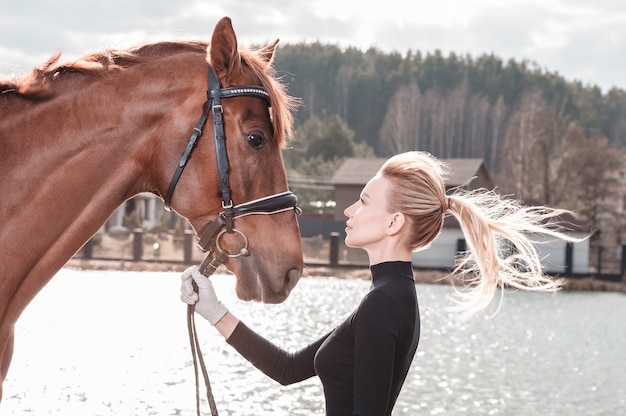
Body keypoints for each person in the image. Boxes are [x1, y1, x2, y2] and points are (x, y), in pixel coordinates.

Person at [180, 151, 578, 415]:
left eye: (365, 201)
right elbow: (289, 368)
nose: (351, 209)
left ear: (393, 222)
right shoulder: (388, 296)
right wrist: (212, 309)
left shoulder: (385, 303)